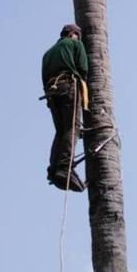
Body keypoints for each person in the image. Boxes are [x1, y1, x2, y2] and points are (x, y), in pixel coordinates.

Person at [42, 23, 88, 192]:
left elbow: (43, 78)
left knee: (61, 131)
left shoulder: (47, 54)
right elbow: (83, 69)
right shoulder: (75, 44)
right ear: (73, 34)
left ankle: (53, 170)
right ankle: (64, 167)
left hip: (52, 93)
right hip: (69, 86)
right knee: (73, 128)